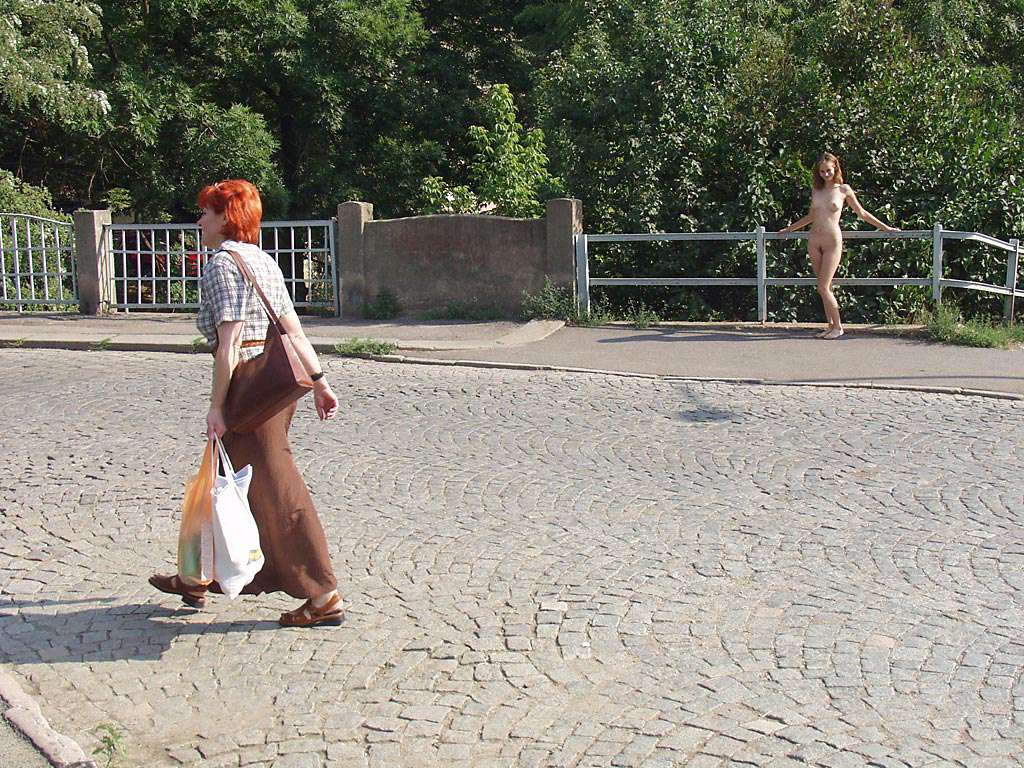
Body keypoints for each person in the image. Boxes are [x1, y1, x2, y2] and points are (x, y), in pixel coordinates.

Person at [149, 179, 344, 628]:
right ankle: (195, 575)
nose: (199, 220)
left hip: (248, 388)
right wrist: (319, 382)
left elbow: (229, 345)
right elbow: (293, 331)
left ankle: (323, 594)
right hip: (274, 388)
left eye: (206, 212)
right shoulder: (261, 259)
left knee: (276, 489)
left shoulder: (222, 264)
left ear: (226, 217)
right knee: (219, 478)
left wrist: (217, 407)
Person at [780, 153, 899, 339]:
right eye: (822, 171)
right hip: (814, 240)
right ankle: (830, 326)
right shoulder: (816, 190)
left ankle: (838, 327)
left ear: (835, 168)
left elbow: (862, 213)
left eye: (828, 170)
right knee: (824, 287)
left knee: (823, 287)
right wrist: (789, 229)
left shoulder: (844, 189)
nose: (825, 174)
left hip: (832, 241)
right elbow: (811, 216)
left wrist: (886, 228)